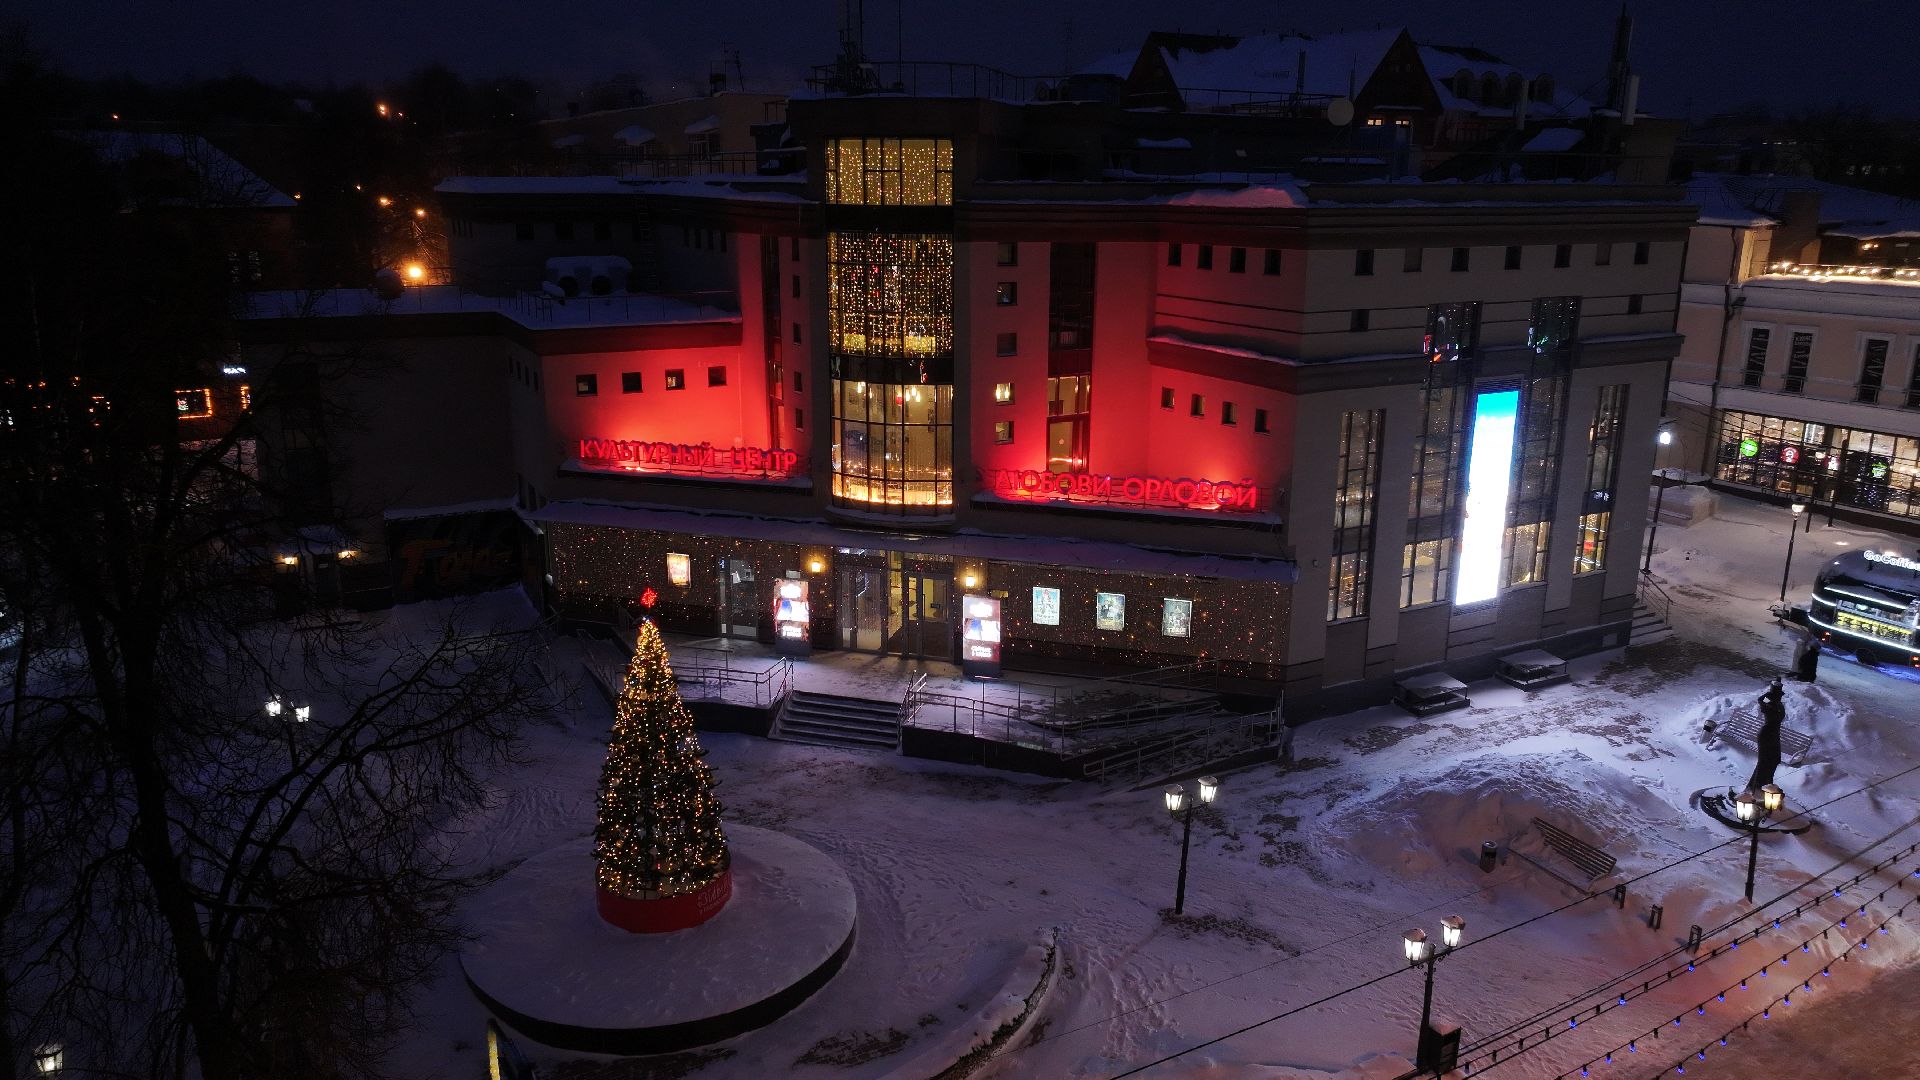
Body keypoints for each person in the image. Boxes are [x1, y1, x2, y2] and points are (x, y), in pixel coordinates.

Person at [1746, 678, 1786, 793]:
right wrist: (1768, 696)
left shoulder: (1779, 705)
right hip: (1766, 734)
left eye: (1780, 694)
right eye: (1777, 694)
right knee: (1763, 761)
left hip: (1774, 734)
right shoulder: (1768, 704)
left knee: (1775, 759)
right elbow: (1760, 699)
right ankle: (1755, 787)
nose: (1779, 696)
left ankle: (1766, 784)